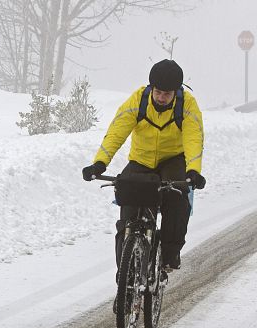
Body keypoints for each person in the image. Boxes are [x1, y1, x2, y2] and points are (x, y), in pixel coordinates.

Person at [82, 59, 205, 273]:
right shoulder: (138, 100)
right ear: (151, 87)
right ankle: (125, 272)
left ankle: (169, 256)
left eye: (167, 94)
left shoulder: (187, 105)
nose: (161, 97)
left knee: (177, 198)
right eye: (158, 92)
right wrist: (100, 163)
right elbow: (116, 132)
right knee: (127, 198)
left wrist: (193, 170)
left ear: (176, 92)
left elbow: (194, 138)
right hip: (141, 160)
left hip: (173, 159)